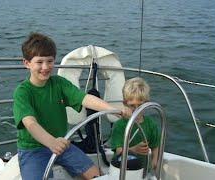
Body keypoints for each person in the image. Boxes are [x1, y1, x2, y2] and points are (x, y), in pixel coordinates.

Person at [13, 32, 131, 180]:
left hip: (62, 145)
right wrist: (52, 142)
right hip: (33, 150)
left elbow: (85, 98)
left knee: (96, 175)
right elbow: (30, 123)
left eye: (50, 61)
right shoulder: (22, 92)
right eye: (39, 62)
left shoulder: (59, 83)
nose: (45, 67)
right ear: (27, 63)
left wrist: (113, 109)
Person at [110, 77, 160, 170]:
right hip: (121, 168)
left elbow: (155, 145)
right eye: (132, 105)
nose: (136, 109)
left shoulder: (151, 124)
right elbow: (118, 151)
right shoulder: (120, 125)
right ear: (125, 103)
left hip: (142, 168)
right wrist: (133, 150)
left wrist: (154, 160)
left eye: (140, 105)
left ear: (147, 104)